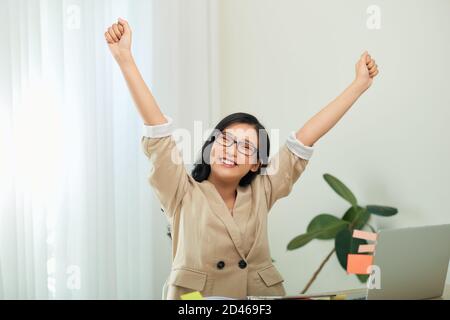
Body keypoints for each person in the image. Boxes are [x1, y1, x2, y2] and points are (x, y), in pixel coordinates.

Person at [104, 18, 379, 300]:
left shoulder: (263, 189)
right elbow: (158, 129)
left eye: (246, 147)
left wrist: (358, 85)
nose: (231, 150)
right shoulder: (180, 191)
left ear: (257, 163)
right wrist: (125, 58)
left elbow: (306, 137)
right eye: (225, 139)